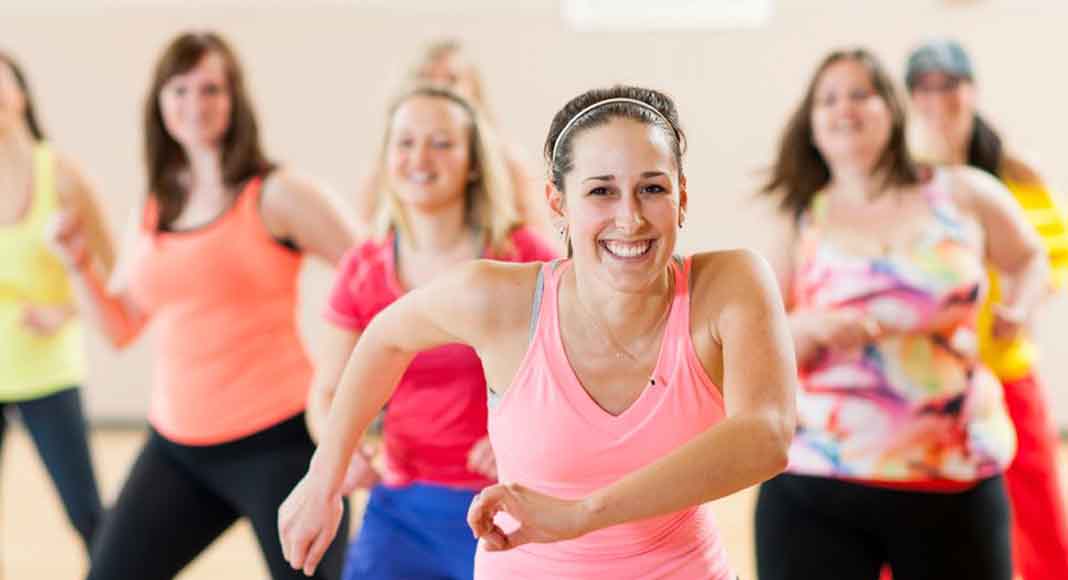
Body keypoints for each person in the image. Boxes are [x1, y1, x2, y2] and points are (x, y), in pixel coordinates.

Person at [279, 85, 797, 579]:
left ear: (681, 197)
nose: (630, 217)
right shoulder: (499, 299)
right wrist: (323, 478)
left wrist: (581, 514)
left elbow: (767, 436)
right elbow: (385, 336)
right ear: (558, 204)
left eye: (652, 188)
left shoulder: (731, 284)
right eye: (601, 191)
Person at [49, 32, 358, 579]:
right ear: (160, 102)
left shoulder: (276, 194)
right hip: (177, 449)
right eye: (180, 89)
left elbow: (374, 278)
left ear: (235, 99)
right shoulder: (158, 205)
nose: (195, 103)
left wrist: (351, 400)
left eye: (211, 88)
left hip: (280, 444)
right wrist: (78, 265)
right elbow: (121, 327)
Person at [756, 47, 1048, 580]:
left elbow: (1031, 257)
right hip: (818, 478)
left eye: (860, 94)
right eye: (828, 99)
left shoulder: (961, 192)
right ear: (812, 126)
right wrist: (807, 327)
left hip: (954, 474)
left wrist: (1020, 307)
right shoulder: (800, 217)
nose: (845, 108)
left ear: (891, 108)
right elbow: (761, 340)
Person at [307, 84, 556, 580]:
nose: (420, 158)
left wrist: (525, 433)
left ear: (473, 162)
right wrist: (341, 454)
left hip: (507, 502)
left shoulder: (526, 259)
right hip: (401, 506)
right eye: (405, 142)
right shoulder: (362, 268)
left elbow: (579, 374)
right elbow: (327, 391)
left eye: (441, 143)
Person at [905, 38, 1068, 580]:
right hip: (927, 380)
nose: (938, 99)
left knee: (1040, 513)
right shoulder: (901, 176)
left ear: (971, 90)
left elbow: (1049, 255)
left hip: (1004, 366)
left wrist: (1020, 305)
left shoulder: (1013, 173)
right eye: (924, 87)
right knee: (907, 513)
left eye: (949, 85)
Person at [0, 50, 110, 561]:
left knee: (86, 514)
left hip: (48, 370)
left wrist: (62, 312)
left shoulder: (62, 175)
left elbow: (115, 273)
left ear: (21, 93)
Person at [353, 39, 549, 237]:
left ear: (474, 88)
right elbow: (365, 235)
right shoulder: (385, 168)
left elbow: (536, 236)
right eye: (426, 77)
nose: (439, 86)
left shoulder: (509, 163)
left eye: (452, 79)